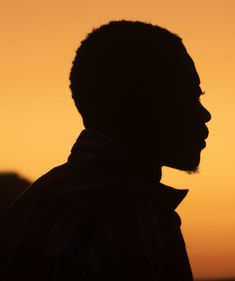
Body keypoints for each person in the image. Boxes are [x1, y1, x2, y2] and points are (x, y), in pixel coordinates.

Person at [0, 20, 211, 281]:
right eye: (188, 96)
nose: (205, 114)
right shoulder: (133, 217)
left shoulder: (28, 206)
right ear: (140, 102)